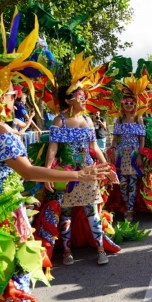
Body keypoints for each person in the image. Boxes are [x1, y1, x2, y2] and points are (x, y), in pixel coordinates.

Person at [44, 86, 117, 266]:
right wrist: (47, 173)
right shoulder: (59, 121)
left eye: (85, 97)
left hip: (88, 171)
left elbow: (94, 147)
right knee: (66, 212)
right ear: (69, 101)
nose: (84, 101)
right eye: (80, 97)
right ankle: (67, 251)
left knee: (92, 210)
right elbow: (52, 147)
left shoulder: (88, 121)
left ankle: (100, 249)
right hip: (67, 173)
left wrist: (107, 168)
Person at [110, 94, 146, 221]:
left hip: (134, 155)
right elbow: (115, 139)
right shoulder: (119, 120)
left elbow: (142, 140)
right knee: (123, 184)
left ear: (135, 105)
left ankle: (130, 209)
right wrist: (113, 151)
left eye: (131, 103)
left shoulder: (139, 119)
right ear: (122, 105)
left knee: (133, 184)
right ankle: (126, 206)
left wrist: (140, 155)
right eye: (126, 103)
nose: (129, 105)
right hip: (121, 155)